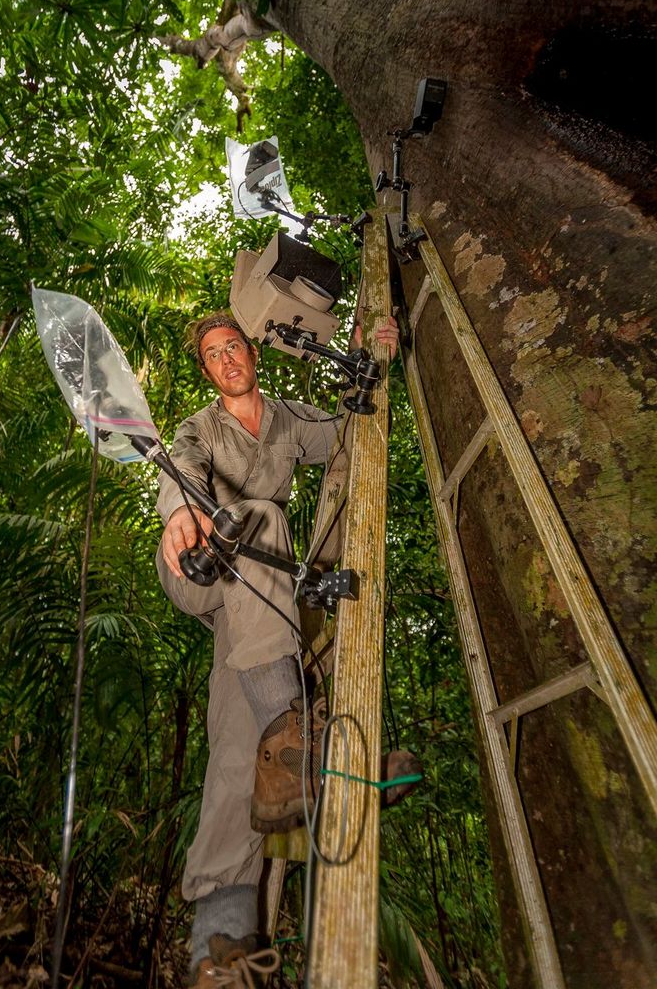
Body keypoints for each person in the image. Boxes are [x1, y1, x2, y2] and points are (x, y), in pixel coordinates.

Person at [155, 311, 399, 987]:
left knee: (240, 748)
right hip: (197, 564)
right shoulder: (201, 427)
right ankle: (297, 736)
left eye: (235, 346)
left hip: (257, 608)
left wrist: (371, 356)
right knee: (259, 516)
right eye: (214, 354)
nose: (228, 359)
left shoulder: (290, 418)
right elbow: (178, 466)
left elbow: (354, 429)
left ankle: (220, 952)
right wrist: (180, 511)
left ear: (252, 353)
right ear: (206, 371)